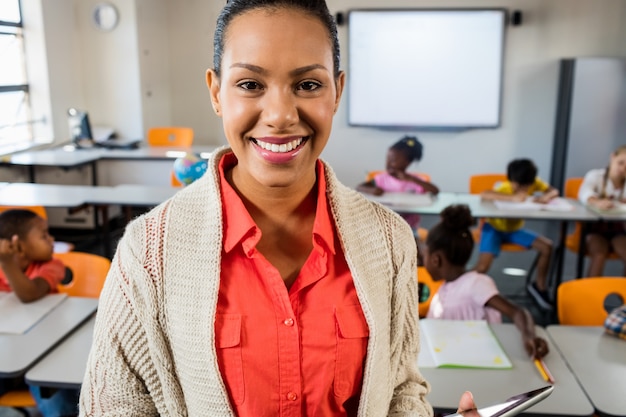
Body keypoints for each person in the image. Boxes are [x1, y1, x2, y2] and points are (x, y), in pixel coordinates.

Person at [79, 1, 476, 416]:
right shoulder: (148, 253)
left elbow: (400, 390)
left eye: (307, 85)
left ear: (337, 91)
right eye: (250, 84)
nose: (281, 116)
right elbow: (113, 405)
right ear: (216, 92)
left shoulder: (390, 241)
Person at [424, 204, 549, 359]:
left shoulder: (475, 284)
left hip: (480, 360)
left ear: (435, 260)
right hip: (453, 358)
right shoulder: (444, 289)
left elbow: (517, 312)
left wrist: (529, 335)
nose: (423, 261)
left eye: (425, 256)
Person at [0, 209, 80, 417]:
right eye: (44, 235)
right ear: (18, 245)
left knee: (61, 409)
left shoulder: (51, 266)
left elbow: (30, 294)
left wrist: (8, 263)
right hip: (9, 356)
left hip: (47, 355)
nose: (52, 240)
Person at [476, 158, 558, 311]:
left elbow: (553, 191)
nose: (522, 189)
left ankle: (539, 287)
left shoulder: (535, 182)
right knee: (482, 266)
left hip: (513, 230)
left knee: (547, 247)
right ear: (511, 180)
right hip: (494, 227)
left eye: (526, 187)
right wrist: (512, 198)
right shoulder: (505, 187)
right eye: (518, 186)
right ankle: (466, 289)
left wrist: (545, 197)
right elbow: (484, 194)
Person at [357, 135, 439, 235]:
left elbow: (435, 190)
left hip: (409, 228)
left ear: (407, 162)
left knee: (415, 246)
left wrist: (413, 180)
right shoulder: (382, 179)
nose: (388, 163)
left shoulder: (414, 180)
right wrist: (372, 190)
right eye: (387, 159)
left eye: (393, 160)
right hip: (384, 226)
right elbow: (359, 187)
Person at [577, 145, 626, 277]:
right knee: (599, 254)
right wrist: (596, 201)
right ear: (612, 157)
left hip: (618, 230)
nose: (622, 169)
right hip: (595, 229)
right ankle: (590, 295)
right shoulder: (595, 176)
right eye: (620, 163)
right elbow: (585, 193)